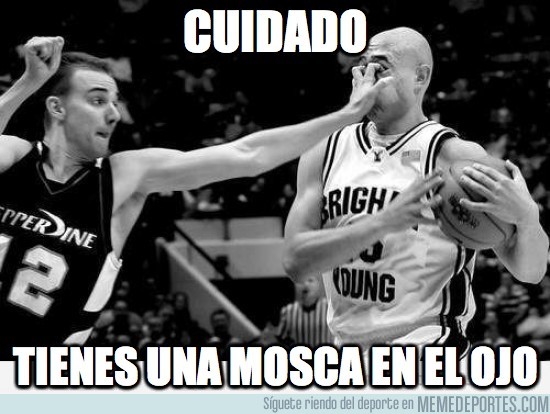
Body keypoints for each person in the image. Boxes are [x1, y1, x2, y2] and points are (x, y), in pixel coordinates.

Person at [0, 35, 390, 356]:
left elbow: (248, 154)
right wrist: (27, 83)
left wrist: (347, 115)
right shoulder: (16, 157)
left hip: (39, 378)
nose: (114, 114)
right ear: (57, 107)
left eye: (115, 102)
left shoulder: (123, 176)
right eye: (98, 100)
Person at [283, 27, 548, 357]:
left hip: (429, 349)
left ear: (420, 77)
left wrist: (527, 219)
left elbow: (531, 271)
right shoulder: (324, 150)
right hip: (350, 353)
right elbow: (295, 263)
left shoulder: (456, 158)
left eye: (381, 68)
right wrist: (382, 222)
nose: (368, 79)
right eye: (363, 67)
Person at [277, 275, 333, 346]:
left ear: (318, 285)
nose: (305, 284)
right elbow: (281, 339)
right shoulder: (288, 311)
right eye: (301, 281)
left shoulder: (329, 307)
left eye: (310, 280)